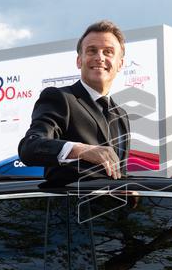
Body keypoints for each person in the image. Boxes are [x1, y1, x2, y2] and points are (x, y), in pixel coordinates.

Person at [18, 20, 131, 185]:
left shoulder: (121, 115)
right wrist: (81, 150)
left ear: (120, 63)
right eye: (92, 51)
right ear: (79, 61)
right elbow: (29, 147)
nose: (100, 58)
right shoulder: (60, 98)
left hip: (113, 210)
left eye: (108, 52)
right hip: (70, 209)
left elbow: (119, 174)